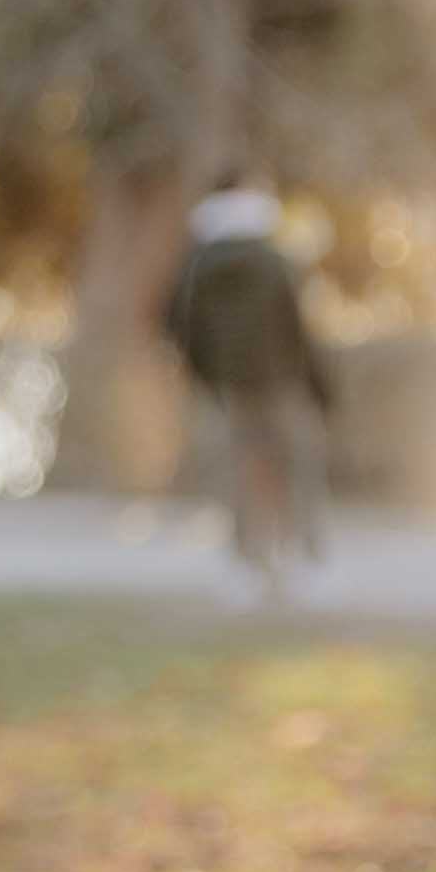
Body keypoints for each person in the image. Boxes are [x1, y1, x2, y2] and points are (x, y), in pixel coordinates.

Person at [166, 172, 334, 604]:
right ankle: (304, 560)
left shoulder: (198, 261)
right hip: (281, 380)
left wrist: (206, 376)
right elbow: (297, 325)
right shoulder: (274, 258)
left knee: (239, 474)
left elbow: (180, 325)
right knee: (296, 468)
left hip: (227, 387)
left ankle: (245, 564)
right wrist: (319, 384)